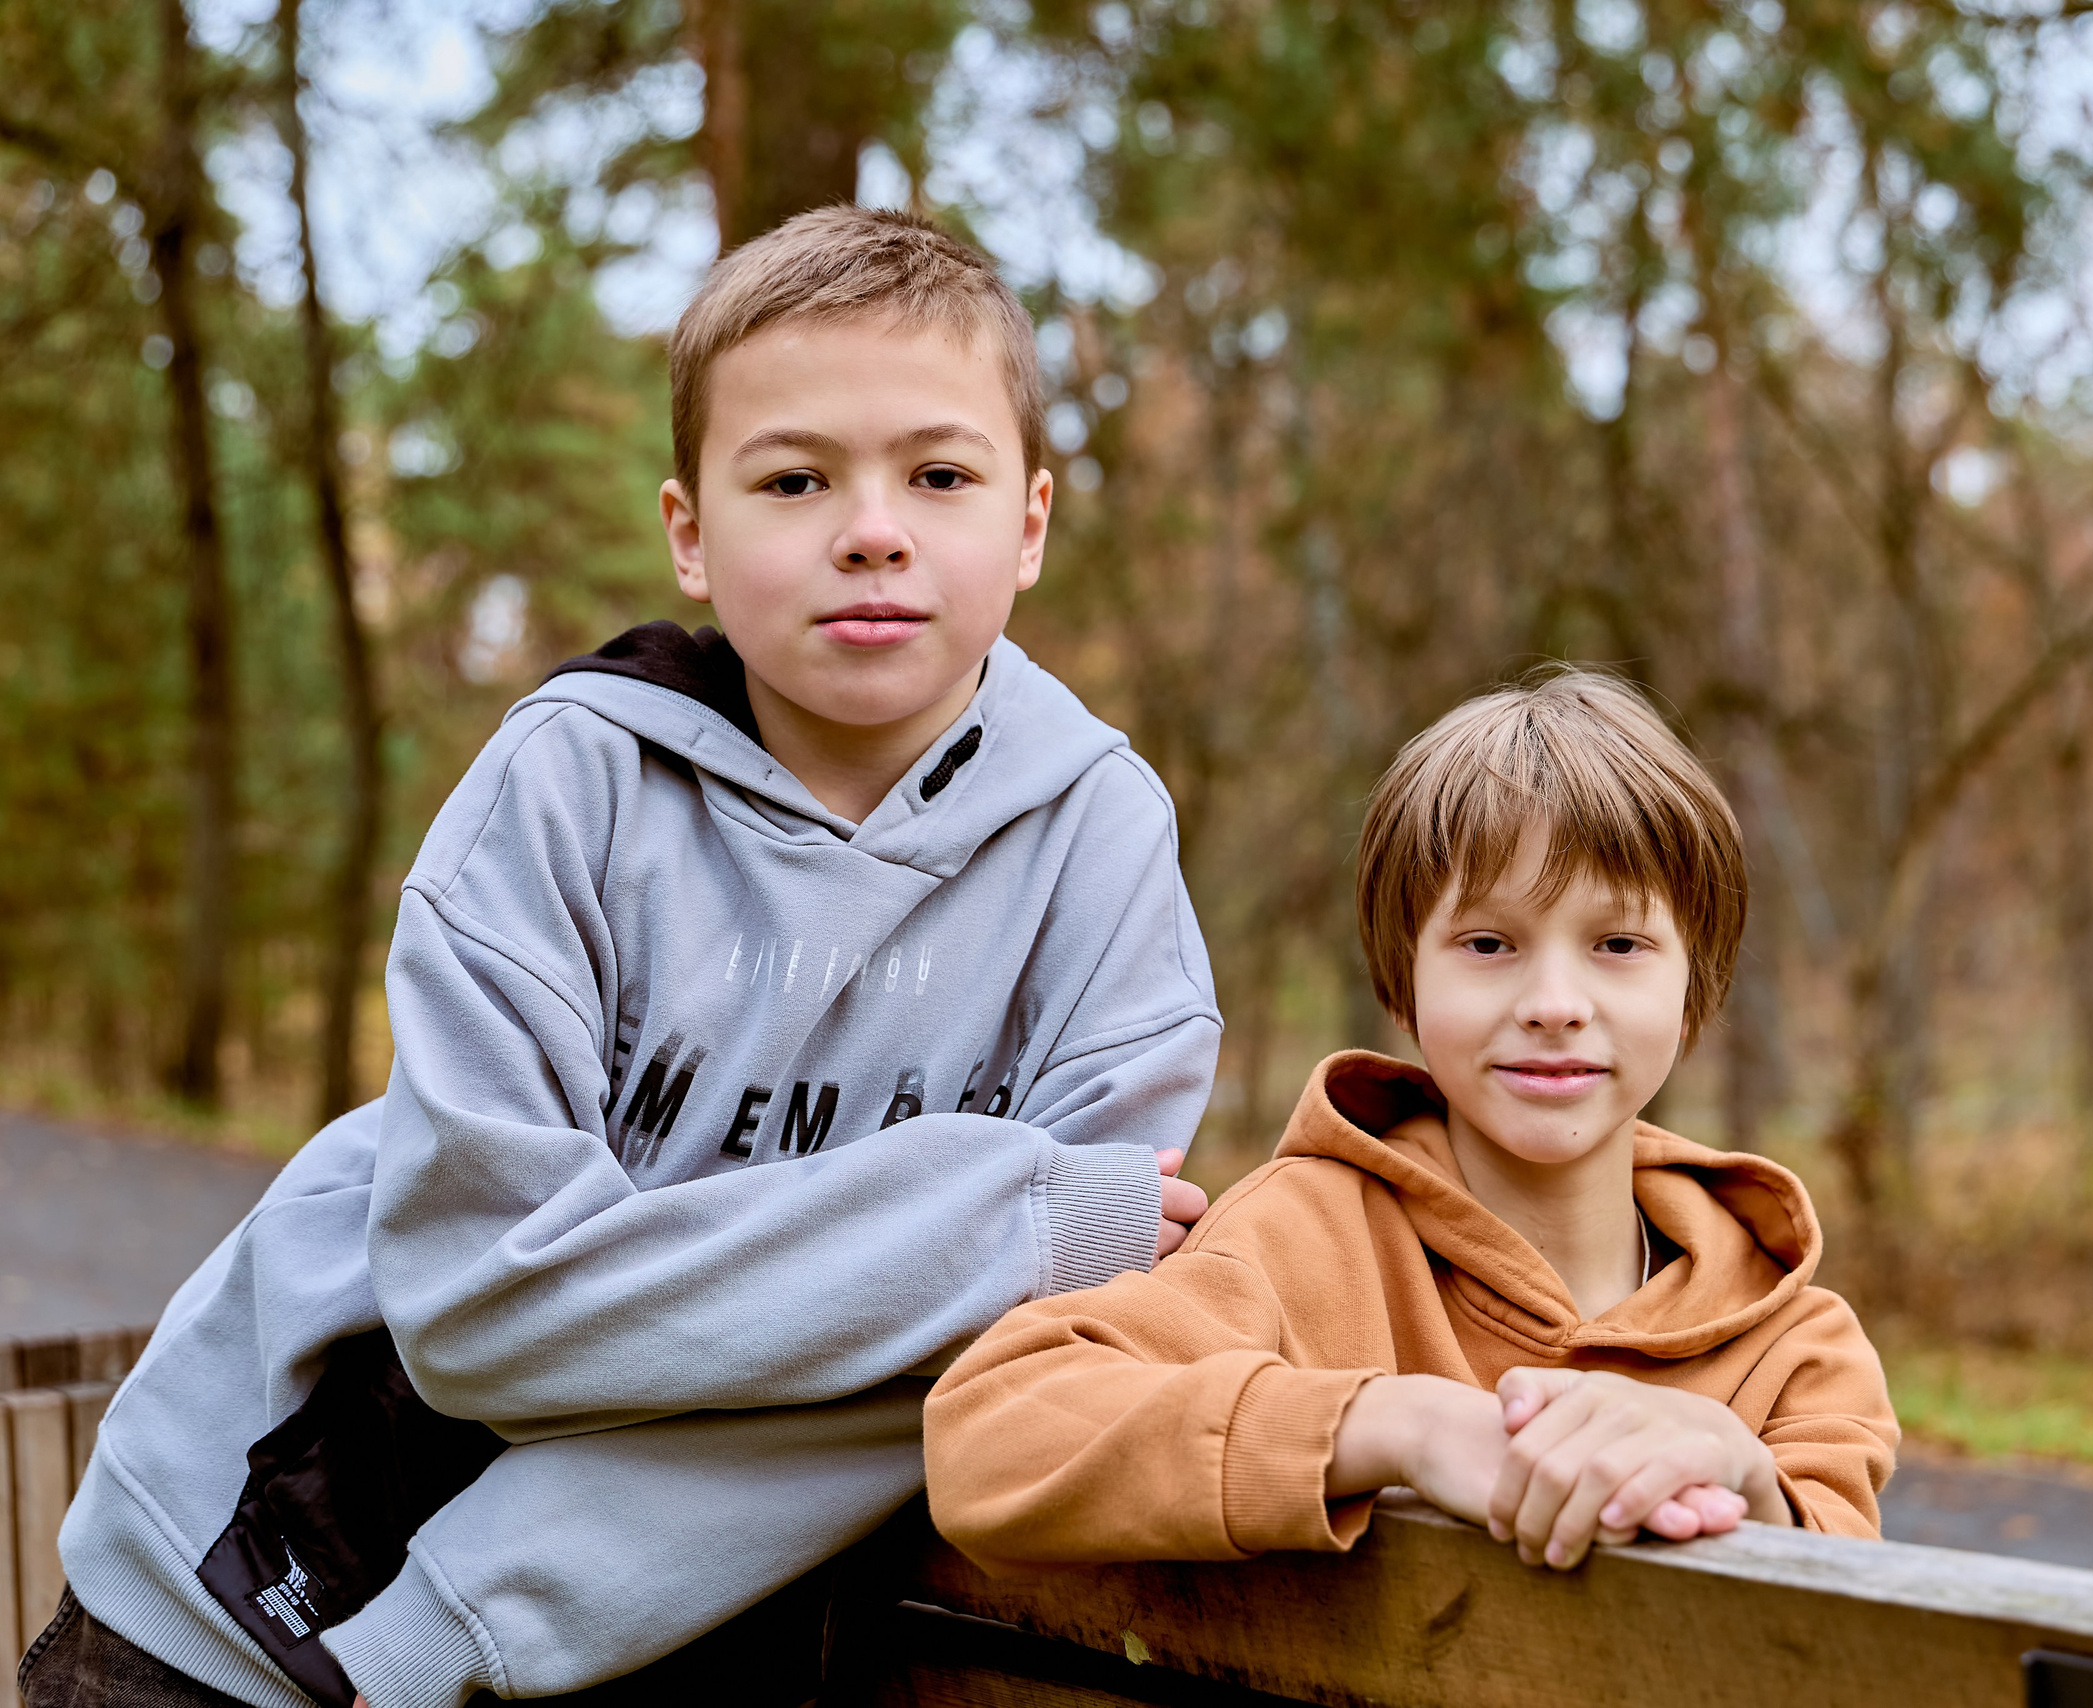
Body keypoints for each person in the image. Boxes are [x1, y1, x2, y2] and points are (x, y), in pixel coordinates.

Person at [30, 207, 1221, 1708]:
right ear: (691, 533)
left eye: (938, 473)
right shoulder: (569, 788)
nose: (872, 526)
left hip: (609, 1638)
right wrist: (969, 1233)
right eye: (795, 478)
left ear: (1032, 521)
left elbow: (1012, 1368)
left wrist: (467, 1622)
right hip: (247, 1595)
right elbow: (480, 1307)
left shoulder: (1097, 854)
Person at [925, 672, 1896, 1575]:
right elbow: (987, 1433)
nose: (1554, 1000)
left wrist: (1745, 1476)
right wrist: (1395, 1424)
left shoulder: (1798, 1344)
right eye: (1487, 942)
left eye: (1617, 942)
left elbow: (1849, 1647)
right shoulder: (1299, 1243)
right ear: (1404, 979)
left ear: (1696, 984)